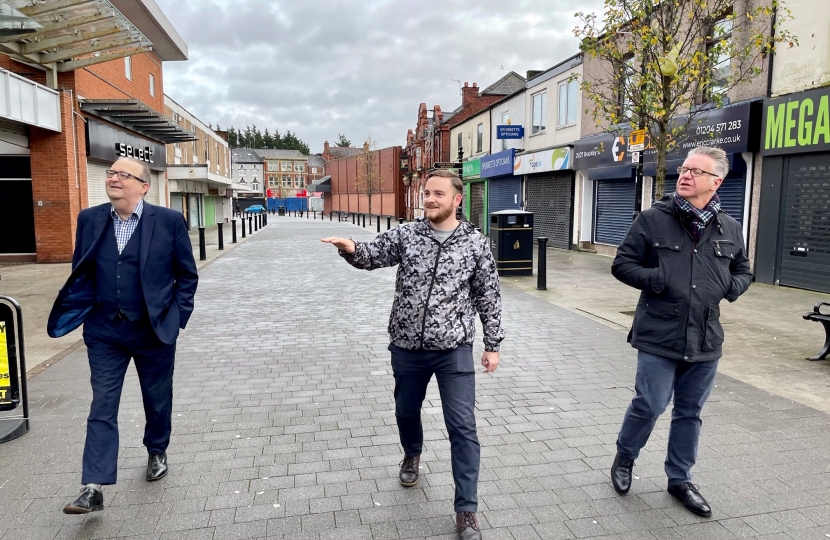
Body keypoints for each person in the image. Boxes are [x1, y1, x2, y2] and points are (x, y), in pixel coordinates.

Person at [321, 169, 504, 540]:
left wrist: (493, 344)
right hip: (407, 346)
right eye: (427, 193)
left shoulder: (475, 244)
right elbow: (374, 255)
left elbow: (489, 295)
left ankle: (466, 509)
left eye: (438, 193)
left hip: (454, 349)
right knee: (406, 410)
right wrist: (351, 249)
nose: (430, 199)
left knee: (463, 428)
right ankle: (412, 452)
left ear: (457, 199)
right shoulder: (407, 234)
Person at [48, 157, 198, 514]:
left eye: (123, 174)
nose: (114, 178)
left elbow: (187, 276)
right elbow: (80, 271)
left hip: (153, 330)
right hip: (104, 331)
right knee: (102, 404)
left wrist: (176, 318)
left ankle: (157, 450)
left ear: (143, 186)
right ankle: (93, 485)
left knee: (157, 399)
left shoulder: (169, 221)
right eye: (111, 173)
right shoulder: (89, 219)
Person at [609, 146, 751, 517]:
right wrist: (658, 279)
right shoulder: (652, 219)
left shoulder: (730, 227)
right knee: (651, 403)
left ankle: (680, 479)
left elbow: (744, 270)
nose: (684, 175)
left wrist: (730, 288)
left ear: (716, 182)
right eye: (684, 169)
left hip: (705, 338)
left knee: (690, 412)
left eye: (695, 172)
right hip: (659, 333)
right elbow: (622, 265)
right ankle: (625, 456)